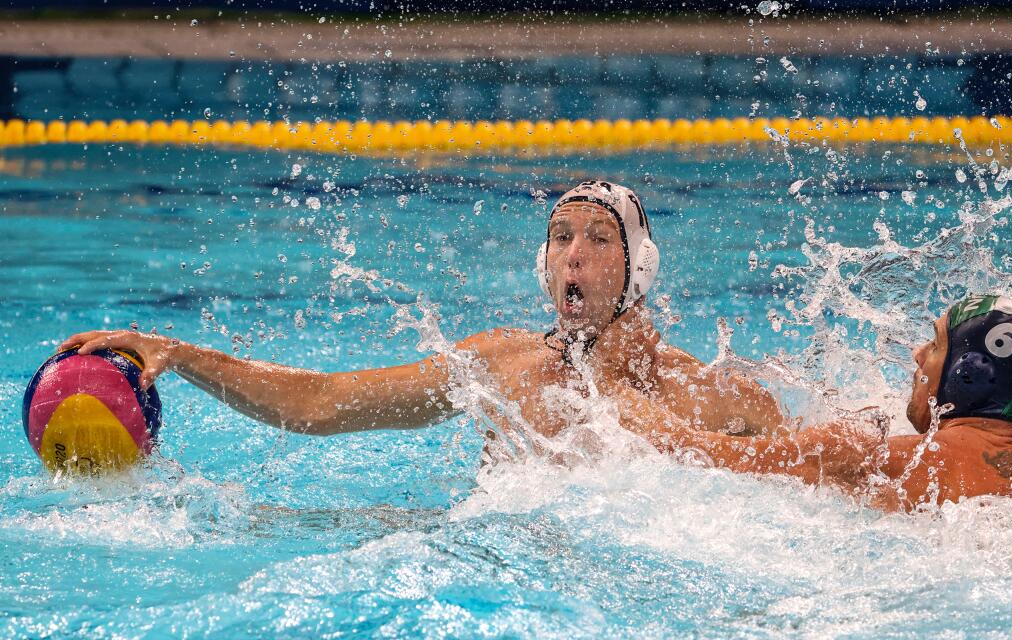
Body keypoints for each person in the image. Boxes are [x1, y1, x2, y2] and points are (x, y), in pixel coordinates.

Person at [57, 180, 784, 456]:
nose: (574, 258)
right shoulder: (500, 363)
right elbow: (323, 403)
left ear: (639, 270)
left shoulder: (719, 398)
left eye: (598, 240)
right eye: (561, 238)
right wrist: (177, 354)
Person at [594, 294, 1012, 511]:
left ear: (967, 370)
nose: (915, 356)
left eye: (933, 345)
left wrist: (609, 391)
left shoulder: (873, 456)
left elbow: (709, 458)